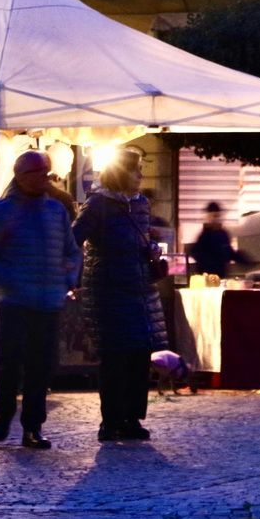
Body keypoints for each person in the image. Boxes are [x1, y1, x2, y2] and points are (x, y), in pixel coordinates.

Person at [0, 151, 80, 449]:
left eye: (47, 172)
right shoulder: (2, 211)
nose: (45, 178)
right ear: (22, 176)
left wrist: (67, 278)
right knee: (10, 364)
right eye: (39, 173)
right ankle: (4, 412)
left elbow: (72, 251)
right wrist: (12, 279)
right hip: (14, 302)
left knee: (41, 366)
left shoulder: (56, 211)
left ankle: (33, 426)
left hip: (48, 301)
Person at [73, 148, 168, 442]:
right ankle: (111, 420)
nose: (141, 175)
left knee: (139, 356)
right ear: (120, 173)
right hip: (109, 291)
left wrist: (149, 251)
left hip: (139, 291)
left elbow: (139, 238)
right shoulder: (98, 204)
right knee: (115, 357)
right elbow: (74, 237)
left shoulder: (140, 204)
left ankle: (132, 418)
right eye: (136, 169)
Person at [186, 201, 250, 278]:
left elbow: (229, 252)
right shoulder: (204, 236)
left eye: (217, 216)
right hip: (206, 277)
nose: (215, 219)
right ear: (208, 217)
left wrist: (244, 260)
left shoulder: (223, 234)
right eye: (213, 216)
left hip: (220, 276)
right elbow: (195, 252)